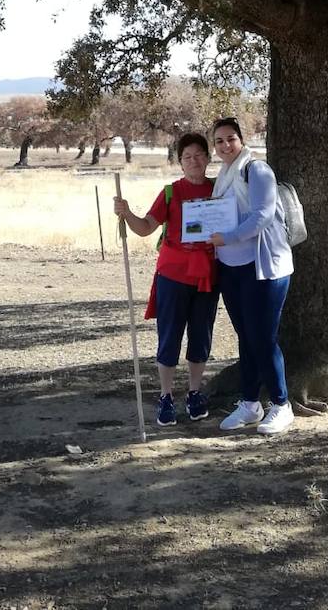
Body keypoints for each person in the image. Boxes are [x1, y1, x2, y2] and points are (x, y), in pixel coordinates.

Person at [113, 132, 218, 426]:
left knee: (201, 336)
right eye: (187, 157)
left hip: (207, 277)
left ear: (207, 158)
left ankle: (195, 393)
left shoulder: (220, 189)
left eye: (199, 155)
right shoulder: (171, 192)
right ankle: (166, 396)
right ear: (180, 163)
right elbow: (146, 227)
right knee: (169, 336)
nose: (194, 161)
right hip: (173, 276)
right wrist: (127, 212)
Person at [209, 116, 295, 436]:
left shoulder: (256, 170)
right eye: (219, 141)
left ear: (241, 140)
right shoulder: (224, 175)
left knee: (262, 338)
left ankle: (281, 404)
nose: (225, 145)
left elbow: (262, 216)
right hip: (231, 269)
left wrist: (225, 237)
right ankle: (249, 404)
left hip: (264, 268)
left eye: (230, 139)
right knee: (247, 337)